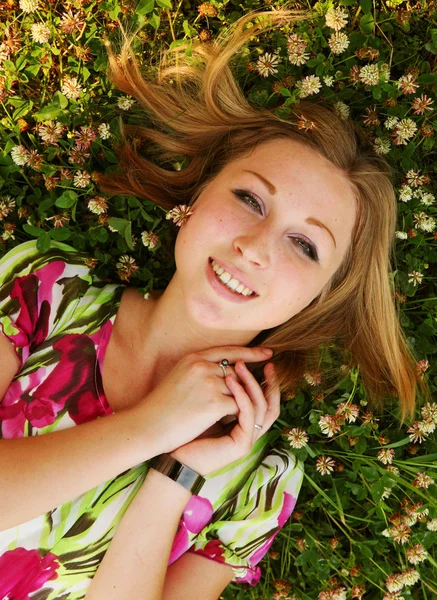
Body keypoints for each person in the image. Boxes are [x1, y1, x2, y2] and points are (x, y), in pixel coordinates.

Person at [0, 7, 424, 600]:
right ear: (199, 195)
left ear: (322, 296)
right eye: (250, 198)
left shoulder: (258, 484)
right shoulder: (42, 291)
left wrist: (176, 474)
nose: (253, 248)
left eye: (304, 245)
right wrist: (153, 425)